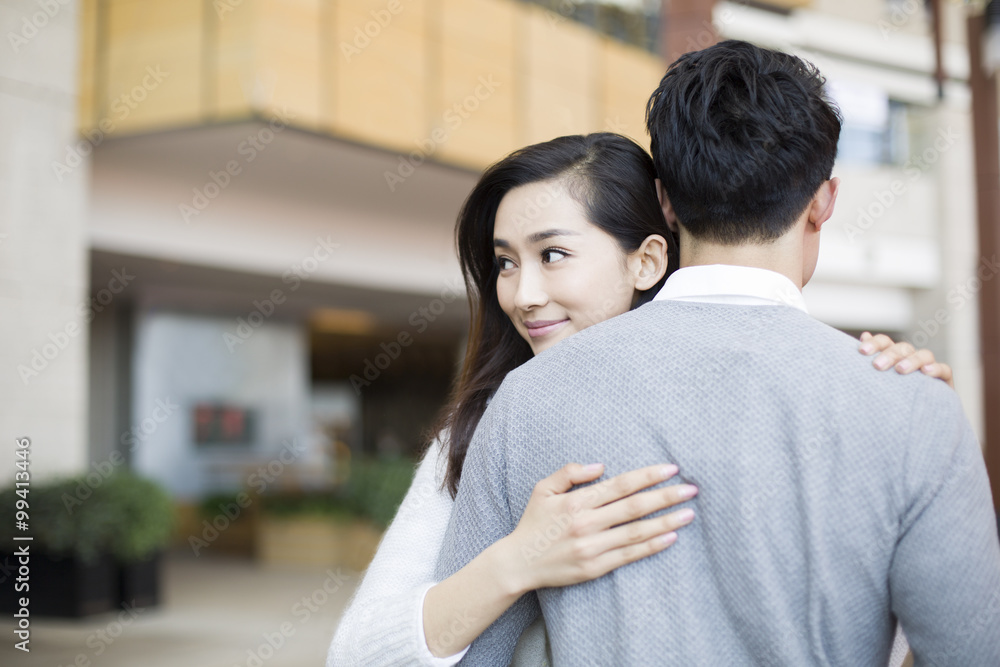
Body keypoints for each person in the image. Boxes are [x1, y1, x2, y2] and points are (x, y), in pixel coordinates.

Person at [434, 41, 1000, 666]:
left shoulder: (529, 399)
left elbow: (464, 654)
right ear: (823, 200)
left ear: (667, 201)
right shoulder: (912, 407)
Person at [327, 131, 952, 666]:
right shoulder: (489, 426)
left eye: (552, 254)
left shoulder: (762, 401)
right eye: (505, 263)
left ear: (647, 261)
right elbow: (356, 655)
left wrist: (893, 398)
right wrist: (515, 562)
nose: (521, 294)